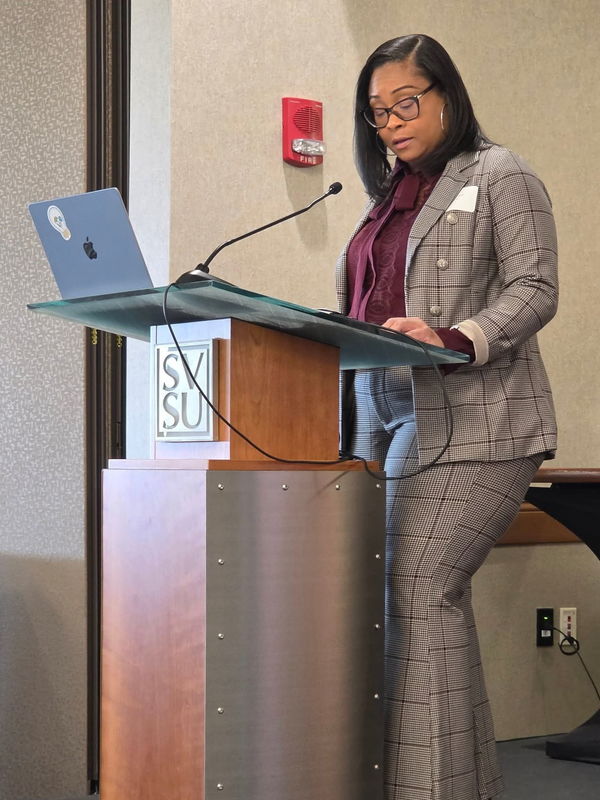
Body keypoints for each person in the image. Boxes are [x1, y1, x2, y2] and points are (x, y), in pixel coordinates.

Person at [336, 35, 558, 800]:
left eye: (406, 102)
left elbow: (536, 288)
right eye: (376, 113)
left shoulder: (500, 173)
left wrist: (458, 339)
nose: (391, 123)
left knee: (419, 590)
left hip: (480, 416)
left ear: (447, 97)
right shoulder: (382, 201)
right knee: (420, 600)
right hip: (386, 418)